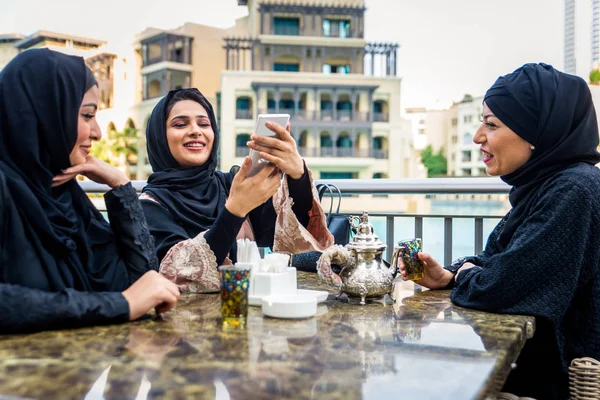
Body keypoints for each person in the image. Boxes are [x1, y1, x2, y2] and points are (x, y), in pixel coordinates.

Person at [397, 63, 600, 399]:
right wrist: (449, 277)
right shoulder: (544, 186)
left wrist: (465, 277)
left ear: (536, 133)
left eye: (491, 124)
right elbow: (503, 262)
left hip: (560, 382)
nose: (478, 136)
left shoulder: (573, 189)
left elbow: (504, 285)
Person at [0, 49, 180, 334]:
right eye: (87, 115)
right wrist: (119, 305)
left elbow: (139, 282)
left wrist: (121, 186)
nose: (97, 132)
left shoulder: (65, 198)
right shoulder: (6, 188)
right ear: (45, 115)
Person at [140, 88, 333, 292]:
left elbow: (285, 234)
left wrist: (297, 175)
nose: (196, 130)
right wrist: (234, 211)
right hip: (185, 320)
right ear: (159, 137)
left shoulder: (231, 185)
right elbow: (178, 274)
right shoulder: (149, 205)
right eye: (180, 124)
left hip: (245, 315)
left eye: (204, 124)